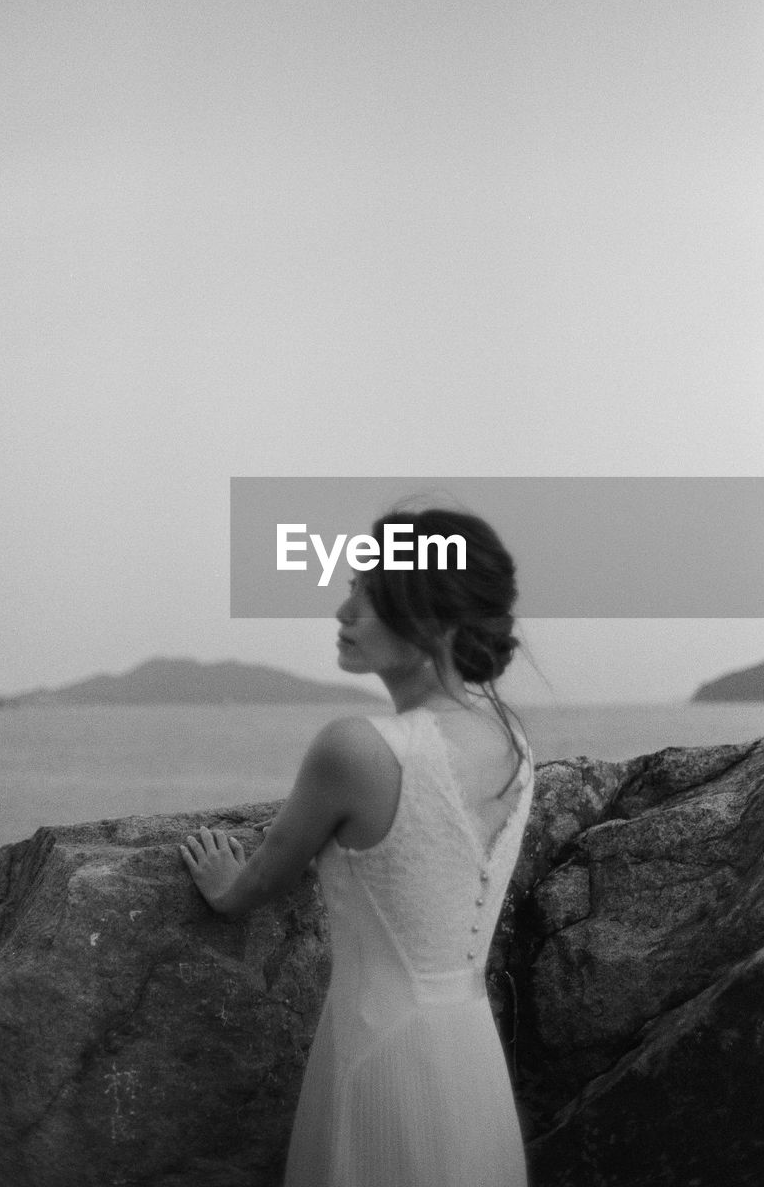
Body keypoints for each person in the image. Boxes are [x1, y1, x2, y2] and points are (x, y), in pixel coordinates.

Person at [180, 507, 533, 1187]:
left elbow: (248, 888)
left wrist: (223, 884)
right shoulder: (513, 743)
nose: (343, 611)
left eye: (367, 594)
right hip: (468, 1054)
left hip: (379, 1051)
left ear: (431, 620)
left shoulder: (355, 748)